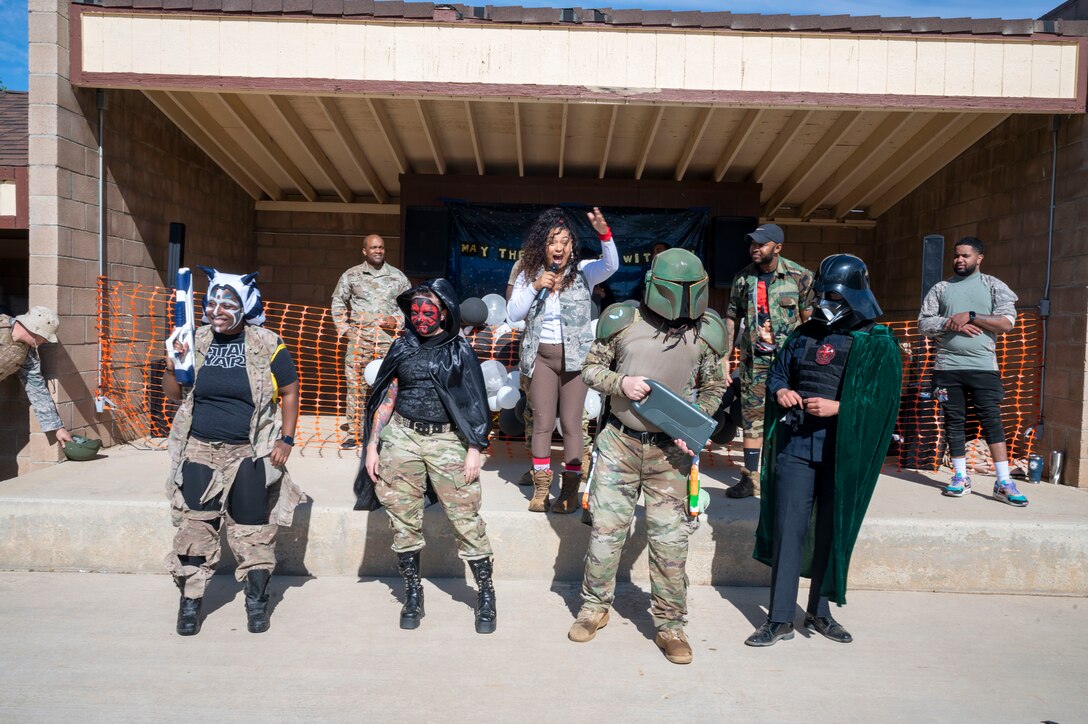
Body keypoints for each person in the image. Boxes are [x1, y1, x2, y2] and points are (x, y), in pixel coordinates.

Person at [571, 249, 728, 665]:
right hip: (619, 445)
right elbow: (590, 370)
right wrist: (623, 383)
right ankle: (593, 608)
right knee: (606, 534)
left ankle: (670, 625)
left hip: (670, 456)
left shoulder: (706, 331)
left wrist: (695, 422)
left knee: (670, 543)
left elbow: (715, 388)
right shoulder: (623, 320)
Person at [745, 254, 901, 647]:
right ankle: (779, 618)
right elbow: (779, 373)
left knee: (831, 532)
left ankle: (820, 612)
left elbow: (883, 401)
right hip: (796, 446)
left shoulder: (875, 341)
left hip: (840, 452)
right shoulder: (803, 335)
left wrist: (840, 408)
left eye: (835, 294)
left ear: (853, 295)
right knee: (788, 531)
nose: (826, 301)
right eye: (824, 293)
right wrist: (781, 390)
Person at [162, 268, 304, 637]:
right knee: (194, 528)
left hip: (250, 452)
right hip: (200, 449)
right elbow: (175, 394)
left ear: (245, 306)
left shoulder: (266, 342)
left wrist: (285, 439)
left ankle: (256, 604)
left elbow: (290, 390)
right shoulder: (194, 340)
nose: (217, 310)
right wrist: (173, 362)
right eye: (211, 303)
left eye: (227, 303)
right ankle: (190, 604)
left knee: (253, 530)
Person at [358, 279, 497, 633]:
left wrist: (474, 448)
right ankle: (413, 593)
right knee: (403, 520)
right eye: (415, 311)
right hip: (402, 437)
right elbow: (386, 396)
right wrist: (373, 445)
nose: (420, 318)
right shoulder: (402, 346)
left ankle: (485, 593)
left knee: (465, 518)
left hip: (446, 440)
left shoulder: (458, 349)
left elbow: (474, 400)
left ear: (443, 313)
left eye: (428, 312)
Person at [507, 207, 618, 514]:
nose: (559, 247)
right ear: (543, 245)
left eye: (565, 242)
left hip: (574, 362)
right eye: (553, 241)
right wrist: (534, 286)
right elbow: (513, 313)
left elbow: (612, 264)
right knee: (541, 423)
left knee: (571, 423)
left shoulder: (585, 272)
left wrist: (604, 234)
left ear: (572, 247)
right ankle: (542, 489)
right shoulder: (529, 274)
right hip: (541, 357)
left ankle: (569, 490)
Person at [918, 237, 1026, 506]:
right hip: (947, 367)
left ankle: (1003, 482)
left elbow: (1006, 323)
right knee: (954, 421)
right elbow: (923, 323)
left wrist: (973, 315)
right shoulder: (941, 288)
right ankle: (959, 477)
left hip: (983, 368)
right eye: (956, 256)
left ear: (979, 258)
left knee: (992, 421)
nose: (959, 260)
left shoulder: (993, 286)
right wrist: (951, 322)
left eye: (965, 256)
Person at [725, 224, 814, 499]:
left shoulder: (800, 277)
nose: (755, 248)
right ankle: (751, 479)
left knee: (794, 418)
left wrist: (809, 363)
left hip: (789, 365)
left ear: (777, 247)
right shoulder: (742, 280)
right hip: (755, 362)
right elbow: (731, 319)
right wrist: (724, 358)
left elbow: (809, 321)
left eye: (761, 244)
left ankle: (788, 477)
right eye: (752, 243)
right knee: (752, 419)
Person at [331, 234, 411, 449]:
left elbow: (411, 306)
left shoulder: (398, 277)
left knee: (389, 387)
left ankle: (385, 432)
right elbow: (338, 301)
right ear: (364, 251)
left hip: (387, 343)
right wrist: (345, 329)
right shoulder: (351, 275)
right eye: (374, 247)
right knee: (355, 387)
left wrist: (396, 320)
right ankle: (355, 433)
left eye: (381, 247)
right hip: (359, 342)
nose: (378, 251)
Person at [0, 306, 74, 446]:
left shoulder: (28, 355)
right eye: (45, 337)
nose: (46, 342)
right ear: (34, 329)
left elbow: (37, 390)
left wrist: (57, 428)